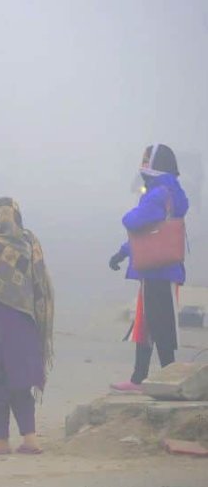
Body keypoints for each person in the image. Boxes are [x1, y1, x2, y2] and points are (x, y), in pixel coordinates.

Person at [0, 197, 54, 455]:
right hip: (27, 322)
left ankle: (0, 440)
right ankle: (30, 439)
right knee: (20, 378)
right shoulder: (31, 242)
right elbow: (39, 282)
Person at [108, 144, 189, 392]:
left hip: (156, 271)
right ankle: (140, 377)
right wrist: (123, 252)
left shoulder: (156, 194)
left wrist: (131, 212)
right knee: (147, 324)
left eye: (146, 159)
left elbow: (134, 222)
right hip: (163, 269)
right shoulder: (172, 192)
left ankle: (167, 377)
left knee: (158, 324)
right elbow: (148, 235)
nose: (143, 164)